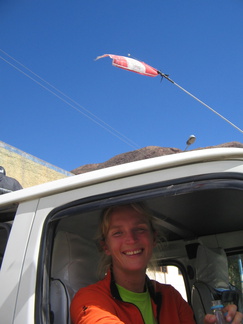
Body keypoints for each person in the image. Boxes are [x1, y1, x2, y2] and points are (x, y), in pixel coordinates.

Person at [70, 203, 243, 324]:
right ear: (105, 246)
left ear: (153, 238)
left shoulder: (171, 297)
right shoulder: (90, 300)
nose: (131, 239)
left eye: (140, 229)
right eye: (117, 233)